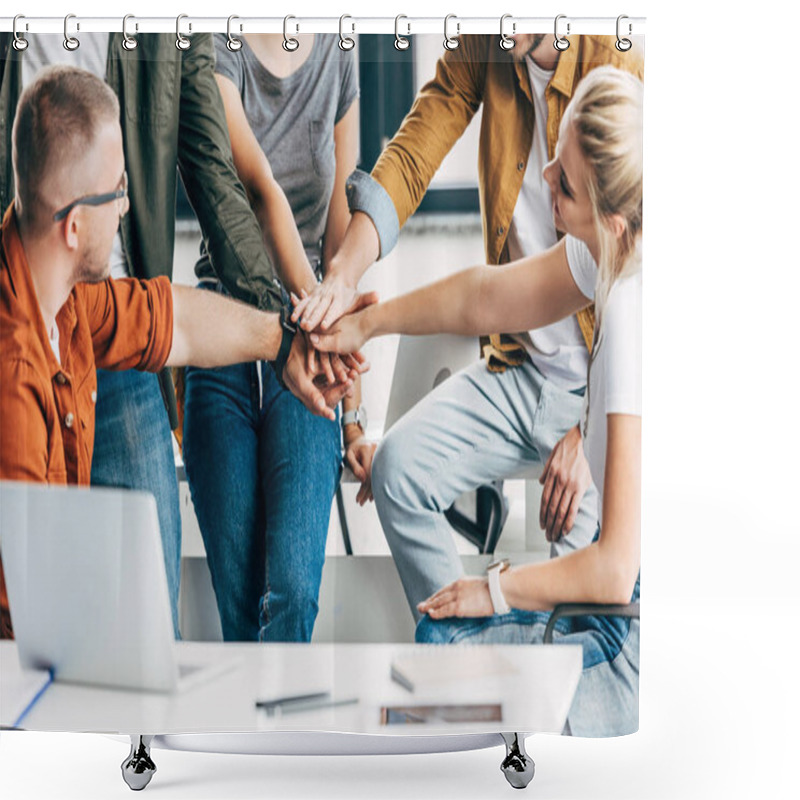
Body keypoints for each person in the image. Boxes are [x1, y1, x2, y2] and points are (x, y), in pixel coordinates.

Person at [310, 66, 642, 737]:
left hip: (629, 639)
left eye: (565, 182)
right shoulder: (604, 253)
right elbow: (484, 296)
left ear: (610, 218)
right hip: (613, 592)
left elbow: (611, 575)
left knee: (443, 642)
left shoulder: (631, 320)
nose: (542, 178)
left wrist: (488, 589)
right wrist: (365, 321)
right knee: (445, 633)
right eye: (553, 161)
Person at [0, 65, 362, 639]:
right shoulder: (14, 380)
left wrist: (284, 343)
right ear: (72, 227)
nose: (126, 207)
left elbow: (177, 320)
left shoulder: (69, 306)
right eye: (117, 192)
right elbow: (22, 626)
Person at [182, 32, 375, 642]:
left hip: (311, 343)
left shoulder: (339, 50)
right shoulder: (215, 43)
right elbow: (259, 191)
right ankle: (251, 737)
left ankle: (286, 735)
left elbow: (341, 224)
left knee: (293, 593)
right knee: (239, 604)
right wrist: (313, 320)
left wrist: (351, 414)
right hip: (224, 339)